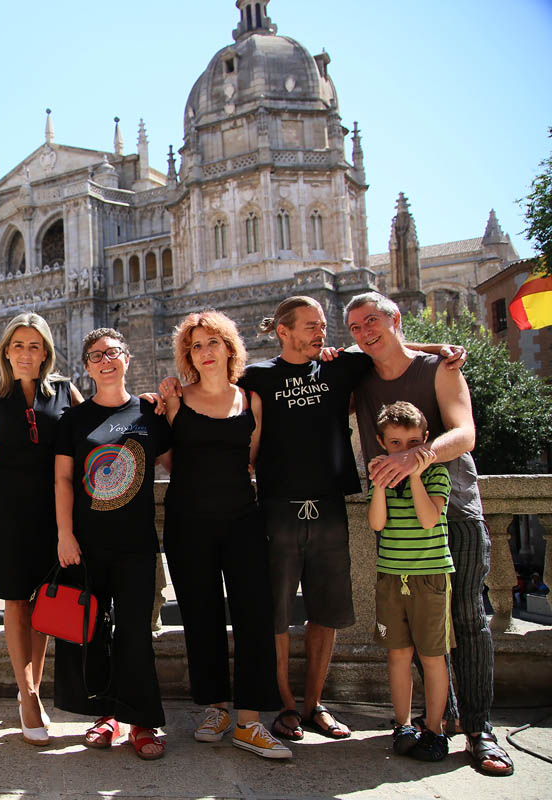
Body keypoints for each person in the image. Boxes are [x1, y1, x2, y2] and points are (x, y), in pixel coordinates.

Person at [162, 296, 461, 742]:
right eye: (311, 326)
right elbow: (196, 413)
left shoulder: (339, 367)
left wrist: (439, 349)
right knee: (272, 616)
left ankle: (311, 705)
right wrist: (159, 394)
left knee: (322, 612)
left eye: (323, 325)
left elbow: (388, 348)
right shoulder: (256, 378)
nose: (323, 333)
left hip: (325, 504)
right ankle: (279, 706)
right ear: (283, 331)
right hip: (273, 508)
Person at [346, 291, 514, 776]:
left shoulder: (440, 369)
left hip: (455, 508)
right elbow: (367, 349)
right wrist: (431, 342)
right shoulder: (359, 374)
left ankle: (480, 729)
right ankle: (444, 717)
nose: (364, 332)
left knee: (465, 616)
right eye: (355, 327)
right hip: (398, 523)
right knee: (418, 630)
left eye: (372, 321)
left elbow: (464, 433)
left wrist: (415, 456)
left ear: (394, 318)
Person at [160, 311, 290, 759]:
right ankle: (215, 707)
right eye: (196, 345)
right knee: (201, 616)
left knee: (254, 615)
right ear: (187, 355)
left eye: (213, 342)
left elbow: (251, 458)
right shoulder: (174, 401)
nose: (205, 351)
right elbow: (170, 460)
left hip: (242, 520)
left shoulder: (250, 400)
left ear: (229, 347)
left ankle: (250, 722)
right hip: (187, 521)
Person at [54, 328, 172, 760]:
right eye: (96, 356)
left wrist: (174, 402)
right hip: (86, 545)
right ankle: (105, 715)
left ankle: (142, 719)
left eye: (114, 353)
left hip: (137, 543)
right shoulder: (74, 420)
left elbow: (178, 459)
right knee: (92, 632)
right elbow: (63, 479)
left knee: (135, 633)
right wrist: (65, 535)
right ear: (86, 366)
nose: (106, 361)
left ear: (128, 358)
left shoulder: (149, 412)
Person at [0, 312, 81, 746]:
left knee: (43, 604)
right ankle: (28, 697)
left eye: (34, 346)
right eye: (18, 345)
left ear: (46, 353)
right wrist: (12, 455)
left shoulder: (64, 390)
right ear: (6, 351)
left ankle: (32, 691)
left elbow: (86, 434)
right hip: (10, 508)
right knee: (16, 601)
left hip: (55, 508)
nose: (25, 353)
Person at [366, 401, 454, 762]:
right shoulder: (382, 479)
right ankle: (402, 725)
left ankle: (436, 728)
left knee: (433, 657)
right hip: (391, 575)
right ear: (382, 443)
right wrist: (381, 485)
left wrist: (415, 473)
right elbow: (376, 523)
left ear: (426, 440)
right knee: (398, 655)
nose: (405, 451)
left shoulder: (437, 474)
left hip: (430, 577)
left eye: (414, 442)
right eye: (396, 444)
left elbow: (430, 518)